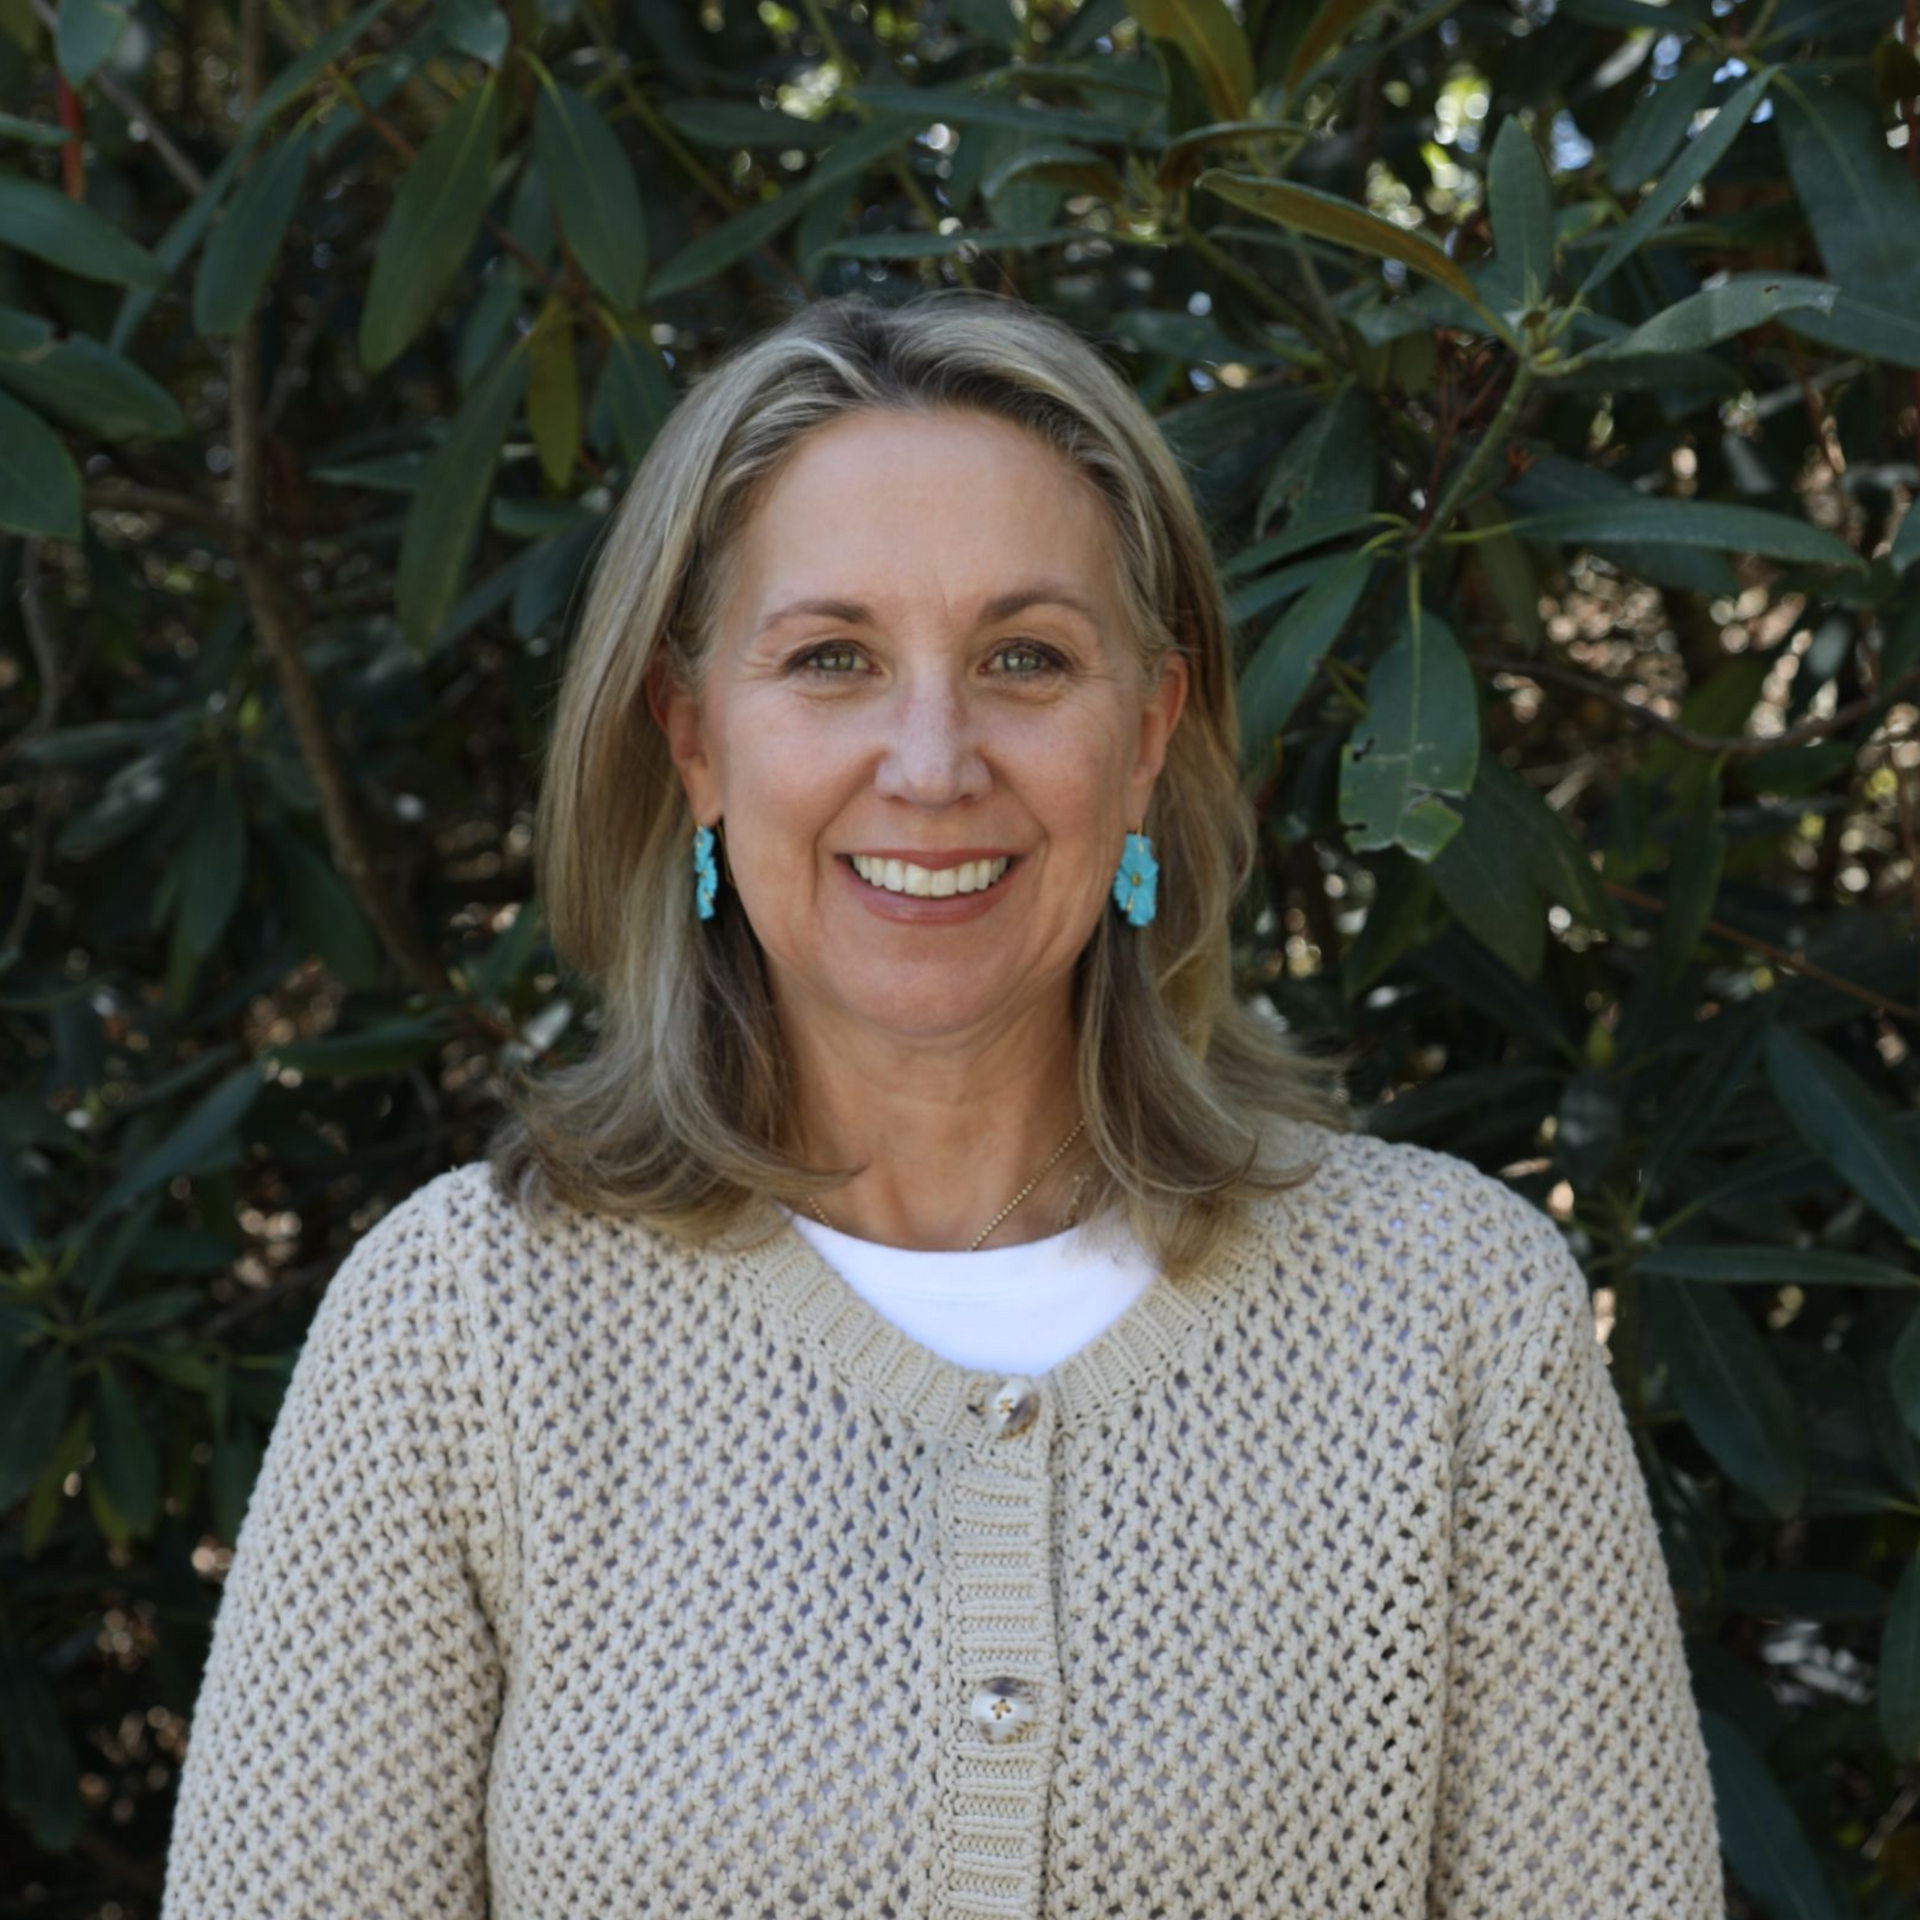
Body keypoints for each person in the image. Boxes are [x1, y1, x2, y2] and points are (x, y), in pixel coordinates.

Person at [158, 290, 1725, 1918]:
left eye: (1025, 660)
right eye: (830, 659)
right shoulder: (466, 1328)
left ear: (1145, 736)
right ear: (693, 739)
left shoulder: (1451, 1315)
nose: (929, 760)